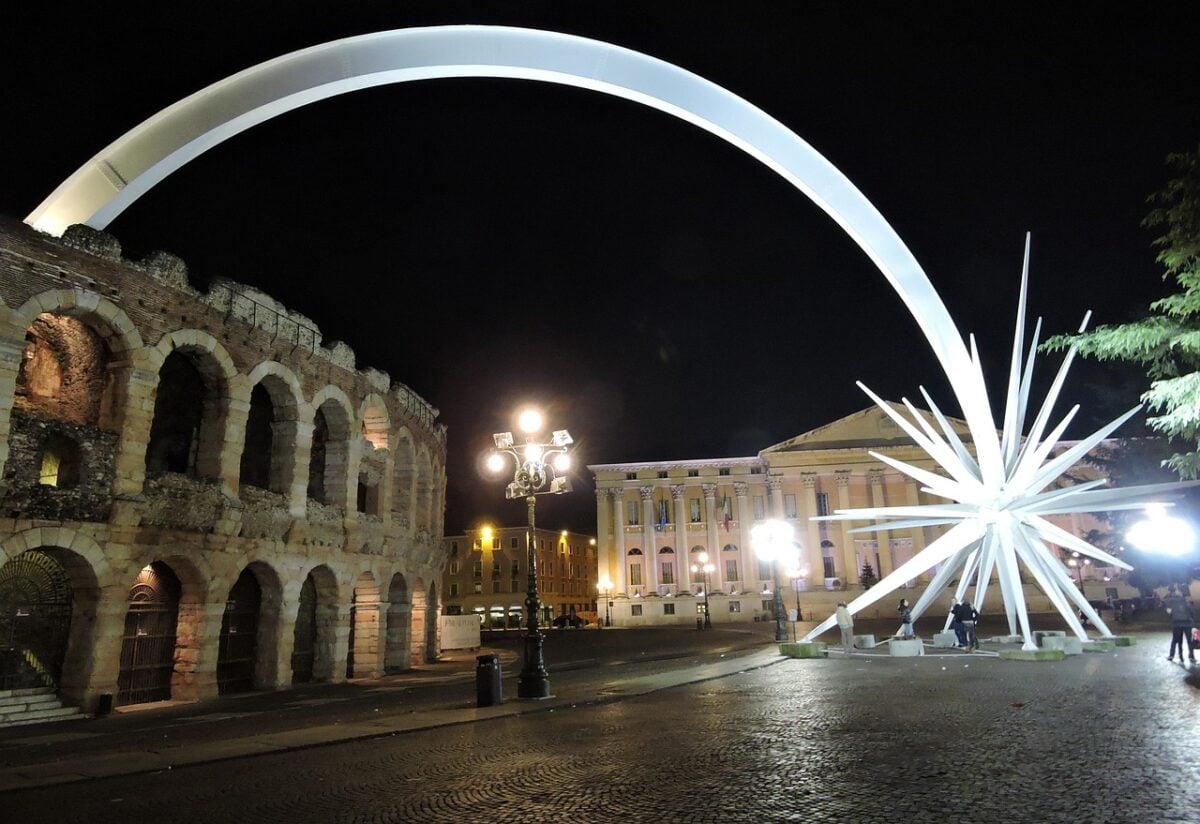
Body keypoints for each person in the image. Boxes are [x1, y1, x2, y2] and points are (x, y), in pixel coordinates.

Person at [1165, 587, 1196, 663]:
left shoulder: (1171, 602)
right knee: (1189, 640)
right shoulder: (1186, 602)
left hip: (1177, 623)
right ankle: (1191, 656)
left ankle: (1172, 655)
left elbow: (1168, 612)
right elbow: (1192, 612)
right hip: (1187, 623)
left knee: (1175, 640)